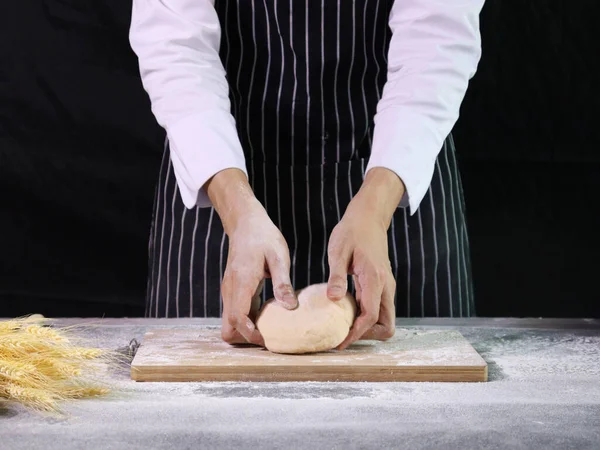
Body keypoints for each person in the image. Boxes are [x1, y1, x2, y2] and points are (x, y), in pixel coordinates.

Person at [129, 0, 484, 350]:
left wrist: (376, 207)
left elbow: (436, 43)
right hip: (218, 177)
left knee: (426, 397)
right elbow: (175, 45)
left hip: (399, 175)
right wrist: (236, 210)